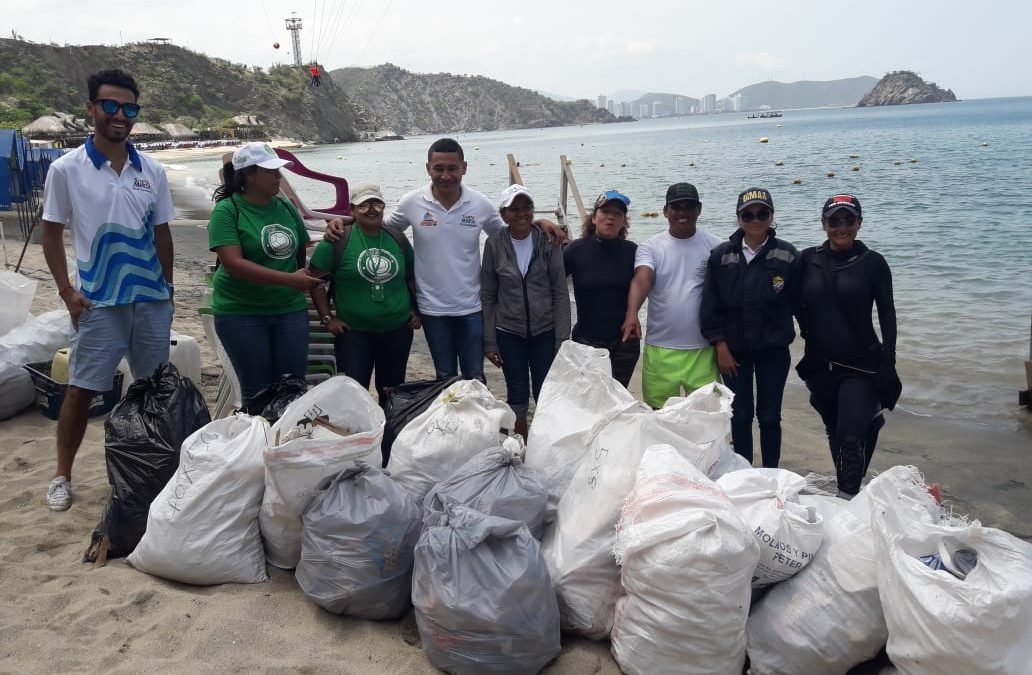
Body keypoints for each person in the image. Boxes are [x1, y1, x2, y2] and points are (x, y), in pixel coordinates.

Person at [40, 69, 175, 511]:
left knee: (155, 389)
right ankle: (62, 475)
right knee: (81, 389)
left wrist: (168, 290)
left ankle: (158, 469)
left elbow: (162, 234)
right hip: (97, 302)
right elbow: (51, 233)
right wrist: (66, 291)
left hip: (151, 300)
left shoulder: (151, 169)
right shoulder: (66, 169)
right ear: (92, 109)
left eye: (129, 108)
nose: (120, 116)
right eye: (111, 106)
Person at [369, 137, 565, 381]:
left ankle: (478, 420)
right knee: (445, 376)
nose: (446, 175)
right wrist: (345, 222)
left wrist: (538, 222)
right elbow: (379, 227)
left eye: (452, 168)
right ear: (428, 168)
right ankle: (450, 420)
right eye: (438, 168)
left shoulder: (479, 204)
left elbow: (507, 232)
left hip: (472, 307)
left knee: (475, 375)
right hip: (432, 308)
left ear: (464, 168)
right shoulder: (412, 202)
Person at [795, 194, 897, 499]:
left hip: (861, 364)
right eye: (834, 220)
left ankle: (846, 499)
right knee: (836, 432)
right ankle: (848, 491)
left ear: (859, 223)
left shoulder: (874, 263)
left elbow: (888, 315)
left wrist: (889, 362)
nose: (842, 227)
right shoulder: (807, 260)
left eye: (848, 220)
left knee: (850, 437)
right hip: (820, 366)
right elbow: (785, 299)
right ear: (823, 224)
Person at [207, 141, 321, 410]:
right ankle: (258, 447)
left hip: (288, 311)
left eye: (278, 171)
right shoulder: (227, 210)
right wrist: (288, 280)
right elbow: (233, 263)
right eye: (270, 171)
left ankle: (284, 446)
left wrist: (343, 224)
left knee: (292, 388)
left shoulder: (286, 208)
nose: (277, 176)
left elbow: (300, 251)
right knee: (258, 392)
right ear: (247, 174)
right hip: (241, 313)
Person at [701, 188, 801, 468]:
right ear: (738, 218)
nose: (755, 220)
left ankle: (771, 473)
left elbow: (802, 305)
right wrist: (719, 346)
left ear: (771, 216)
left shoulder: (789, 255)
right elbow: (710, 305)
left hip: (774, 351)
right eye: (748, 214)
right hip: (733, 353)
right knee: (741, 414)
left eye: (762, 213)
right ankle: (743, 472)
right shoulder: (721, 256)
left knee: (770, 416)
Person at [308, 183, 420, 405]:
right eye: (364, 205)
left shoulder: (397, 238)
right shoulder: (337, 240)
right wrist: (327, 318)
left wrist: (417, 310)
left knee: (392, 392)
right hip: (354, 333)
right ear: (352, 210)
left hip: (397, 330)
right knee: (353, 393)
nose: (371, 209)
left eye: (377, 204)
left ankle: (388, 436)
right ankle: (357, 437)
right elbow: (315, 281)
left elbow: (411, 277)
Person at [481, 184, 571, 439]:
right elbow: (488, 295)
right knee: (517, 393)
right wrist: (489, 341)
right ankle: (520, 444)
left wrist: (562, 338)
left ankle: (545, 445)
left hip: (545, 330)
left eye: (526, 208)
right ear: (503, 214)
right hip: (509, 332)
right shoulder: (494, 244)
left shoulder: (548, 240)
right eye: (514, 209)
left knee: (546, 391)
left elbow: (560, 292)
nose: (521, 214)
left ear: (533, 210)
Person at [622, 182, 722, 408]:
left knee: (708, 416)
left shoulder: (716, 246)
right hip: (660, 348)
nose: (682, 213)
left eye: (689, 207)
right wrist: (632, 314)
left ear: (699, 209)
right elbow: (642, 279)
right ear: (666, 211)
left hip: (703, 349)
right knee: (659, 416)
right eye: (676, 207)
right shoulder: (651, 246)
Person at [562, 189, 639, 387]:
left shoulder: (633, 252)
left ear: (624, 221)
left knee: (618, 400)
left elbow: (648, 286)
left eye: (618, 214)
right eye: (605, 212)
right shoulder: (575, 250)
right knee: (589, 401)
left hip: (625, 342)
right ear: (594, 218)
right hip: (586, 341)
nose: (611, 218)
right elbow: (548, 285)